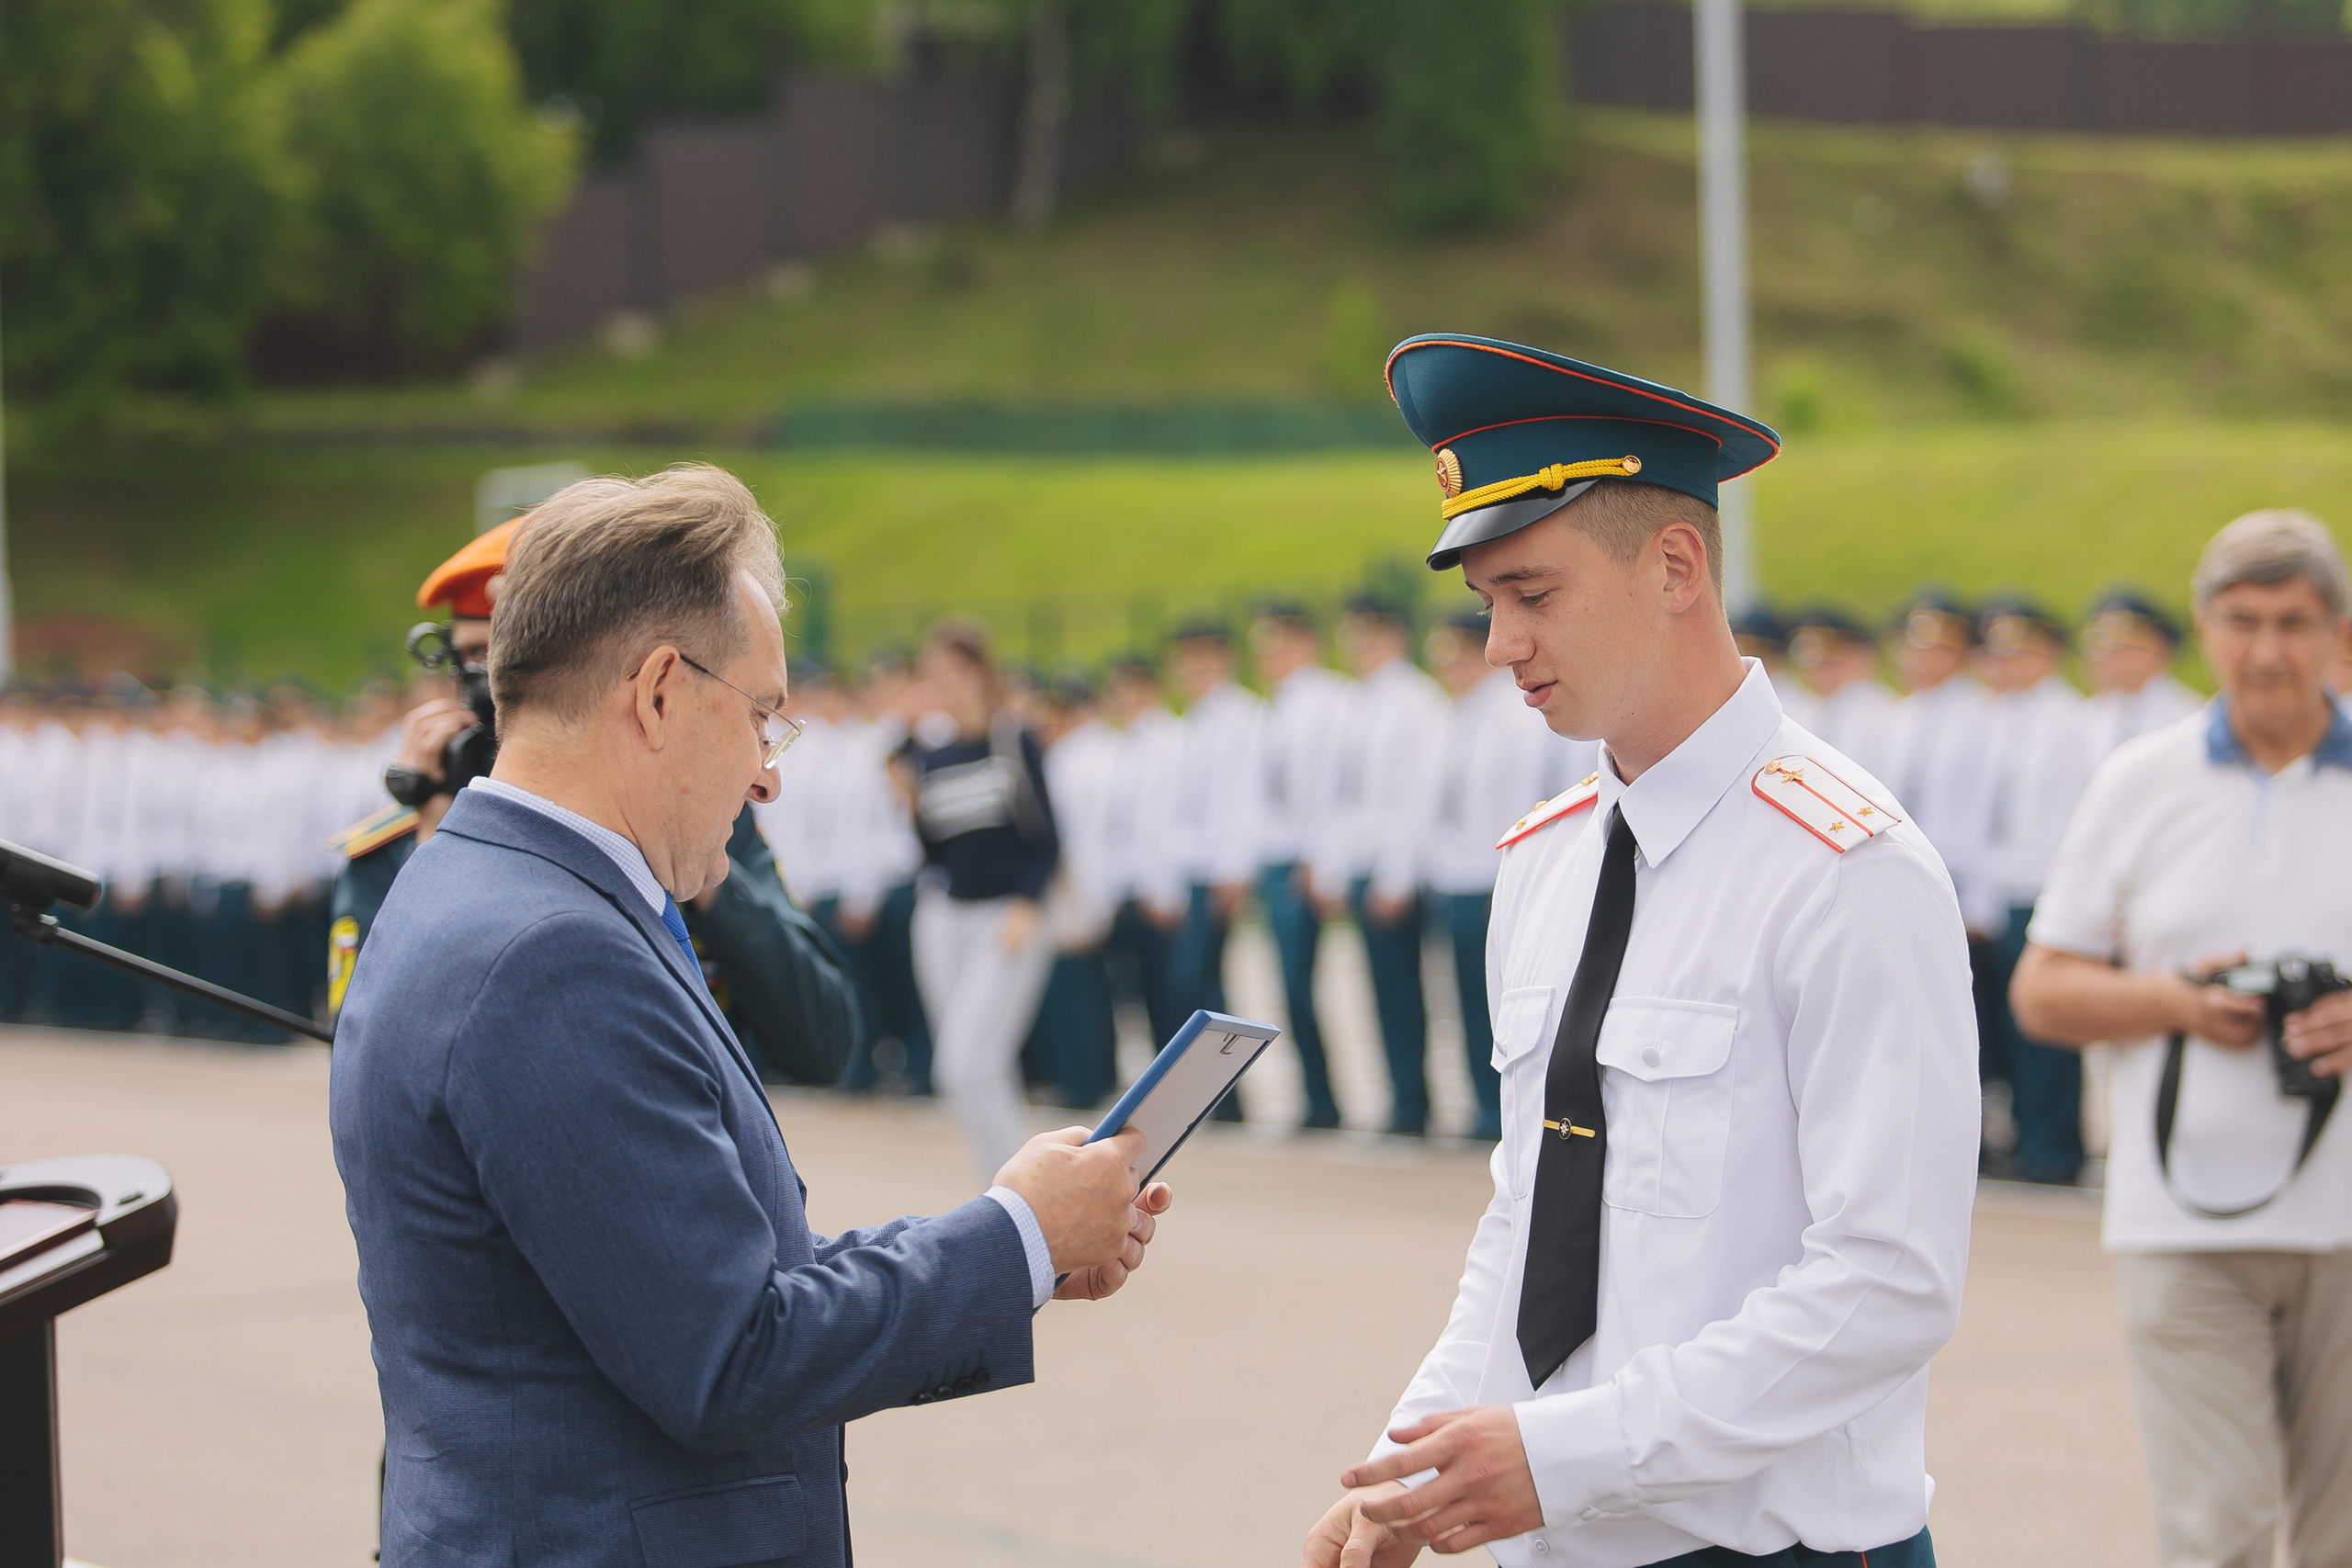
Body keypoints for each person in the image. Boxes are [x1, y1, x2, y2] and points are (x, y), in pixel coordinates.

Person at [331, 465, 1170, 1568]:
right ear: (661, 692)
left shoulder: (478, 885)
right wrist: (1013, 1239)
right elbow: (728, 1356)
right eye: (764, 718)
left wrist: (1025, 1236)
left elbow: (703, 1273)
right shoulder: (554, 955)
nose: (768, 779)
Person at [1305, 335, 1975, 1568]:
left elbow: (1889, 1280)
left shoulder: (1849, 869)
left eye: (1534, 593)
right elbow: (1532, 1212)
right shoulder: (1545, 858)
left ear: (1678, 564)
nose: (1500, 641)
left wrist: (1568, 1453)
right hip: (1550, 1540)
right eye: (1487, 600)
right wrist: (1414, 1461)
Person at [2012, 510, 2352, 1568]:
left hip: (2347, 1221)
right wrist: (2174, 1002)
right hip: (2180, 1223)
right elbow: (2042, 989)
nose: (2266, 651)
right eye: (2242, 620)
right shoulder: (2139, 783)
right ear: (2205, 629)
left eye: (2293, 623)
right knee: (2219, 1534)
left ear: (2337, 633)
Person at [331, 521, 858, 1083]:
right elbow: (379, 1062)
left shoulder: (706, 814)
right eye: (474, 660)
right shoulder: (401, 840)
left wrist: (693, 859)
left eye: (509, 658)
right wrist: (435, 841)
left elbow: (822, 1042)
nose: (494, 689)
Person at [1423, 611, 1596, 1144]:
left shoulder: (1513, 717)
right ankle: (1480, 1105)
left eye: (1455, 655)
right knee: (1469, 999)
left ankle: (1508, 1112)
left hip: (1496, 873)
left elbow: (1528, 802)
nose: (1447, 668)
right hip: (1456, 873)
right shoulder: (1459, 715)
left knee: (1509, 1005)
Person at [901, 619, 1063, 1181]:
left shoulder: (1012, 739)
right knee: (979, 1069)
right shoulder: (929, 753)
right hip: (947, 917)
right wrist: (907, 805)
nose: (936, 683)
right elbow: (936, 851)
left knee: (965, 1062)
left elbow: (1047, 838)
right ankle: (1010, 1191)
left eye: (946, 671)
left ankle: (1019, 1193)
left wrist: (1026, 902)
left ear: (975, 671)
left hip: (1006, 915)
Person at [1972, 597, 2099, 1184]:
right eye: (1998, 652)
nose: (2004, 664)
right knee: (2002, 1024)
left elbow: (2076, 819)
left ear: (2047, 653)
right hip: (1997, 890)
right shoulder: (1997, 720)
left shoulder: (2071, 723)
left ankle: (2055, 1147)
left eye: (2018, 651)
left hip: (2046, 886)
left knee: (2044, 1028)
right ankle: (2025, 1136)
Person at [1319, 592, 1450, 1136]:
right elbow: (1344, 795)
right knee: (1376, 988)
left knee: (1402, 992)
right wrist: (1334, 866)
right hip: (1362, 864)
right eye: (1353, 635)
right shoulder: (1356, 701)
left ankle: (1413, 1103)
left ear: (1394, 637)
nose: (1360, 646)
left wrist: (1396, 873)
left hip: (1395, 869)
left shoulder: (1415, 701)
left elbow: (1415, 797)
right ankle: (1399, 1097)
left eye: (1370, 635)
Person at [1251, 601, 1353, 1130]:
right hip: (1277, 857)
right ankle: (1314, 1097)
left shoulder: (1326, 700)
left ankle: (1325, 1099)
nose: (1269, 654)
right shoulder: (1279, 702)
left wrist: (1321, 858)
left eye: (1279, 642)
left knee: (1302, 983)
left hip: (1302, 858)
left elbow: (1329, 791)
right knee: (1287, 988)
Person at [2081, 588, 2201, 756]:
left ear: (2156, 650)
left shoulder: (2189, 714)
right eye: (2100, 649)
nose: (2105, 659)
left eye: (2120, 650)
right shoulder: (2089, 713)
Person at [1784, 605, 1895, 776]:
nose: (1819, 669)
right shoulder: (1798, 712)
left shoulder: (1885, 713)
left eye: (1831, 662)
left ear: (1861, 655)